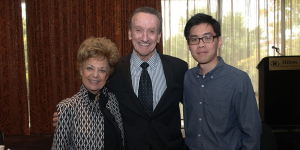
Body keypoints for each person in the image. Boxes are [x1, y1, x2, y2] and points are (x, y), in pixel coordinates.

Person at [53, 7, 188, 150]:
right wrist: (67, 116)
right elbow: (94, 95)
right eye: (138, 30)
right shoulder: (114, 70)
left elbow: (195, 105)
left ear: (159, 36)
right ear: (129, 33)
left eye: (151, 31)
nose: (144, 37)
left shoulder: (179, 68)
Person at [183, 13, 262, 150]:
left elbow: (252, 134)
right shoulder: (187, 78)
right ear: (189, 45)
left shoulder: (239, 80)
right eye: (194, 39)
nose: (201, 45)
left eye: (207, 38)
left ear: (219, 41)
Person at [52, 37, 124, 150]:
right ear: (81, 70)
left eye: (102, 70)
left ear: (108, 74)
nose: (95, 75)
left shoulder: (113, 100)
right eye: (90, 68)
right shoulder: (67, 108)